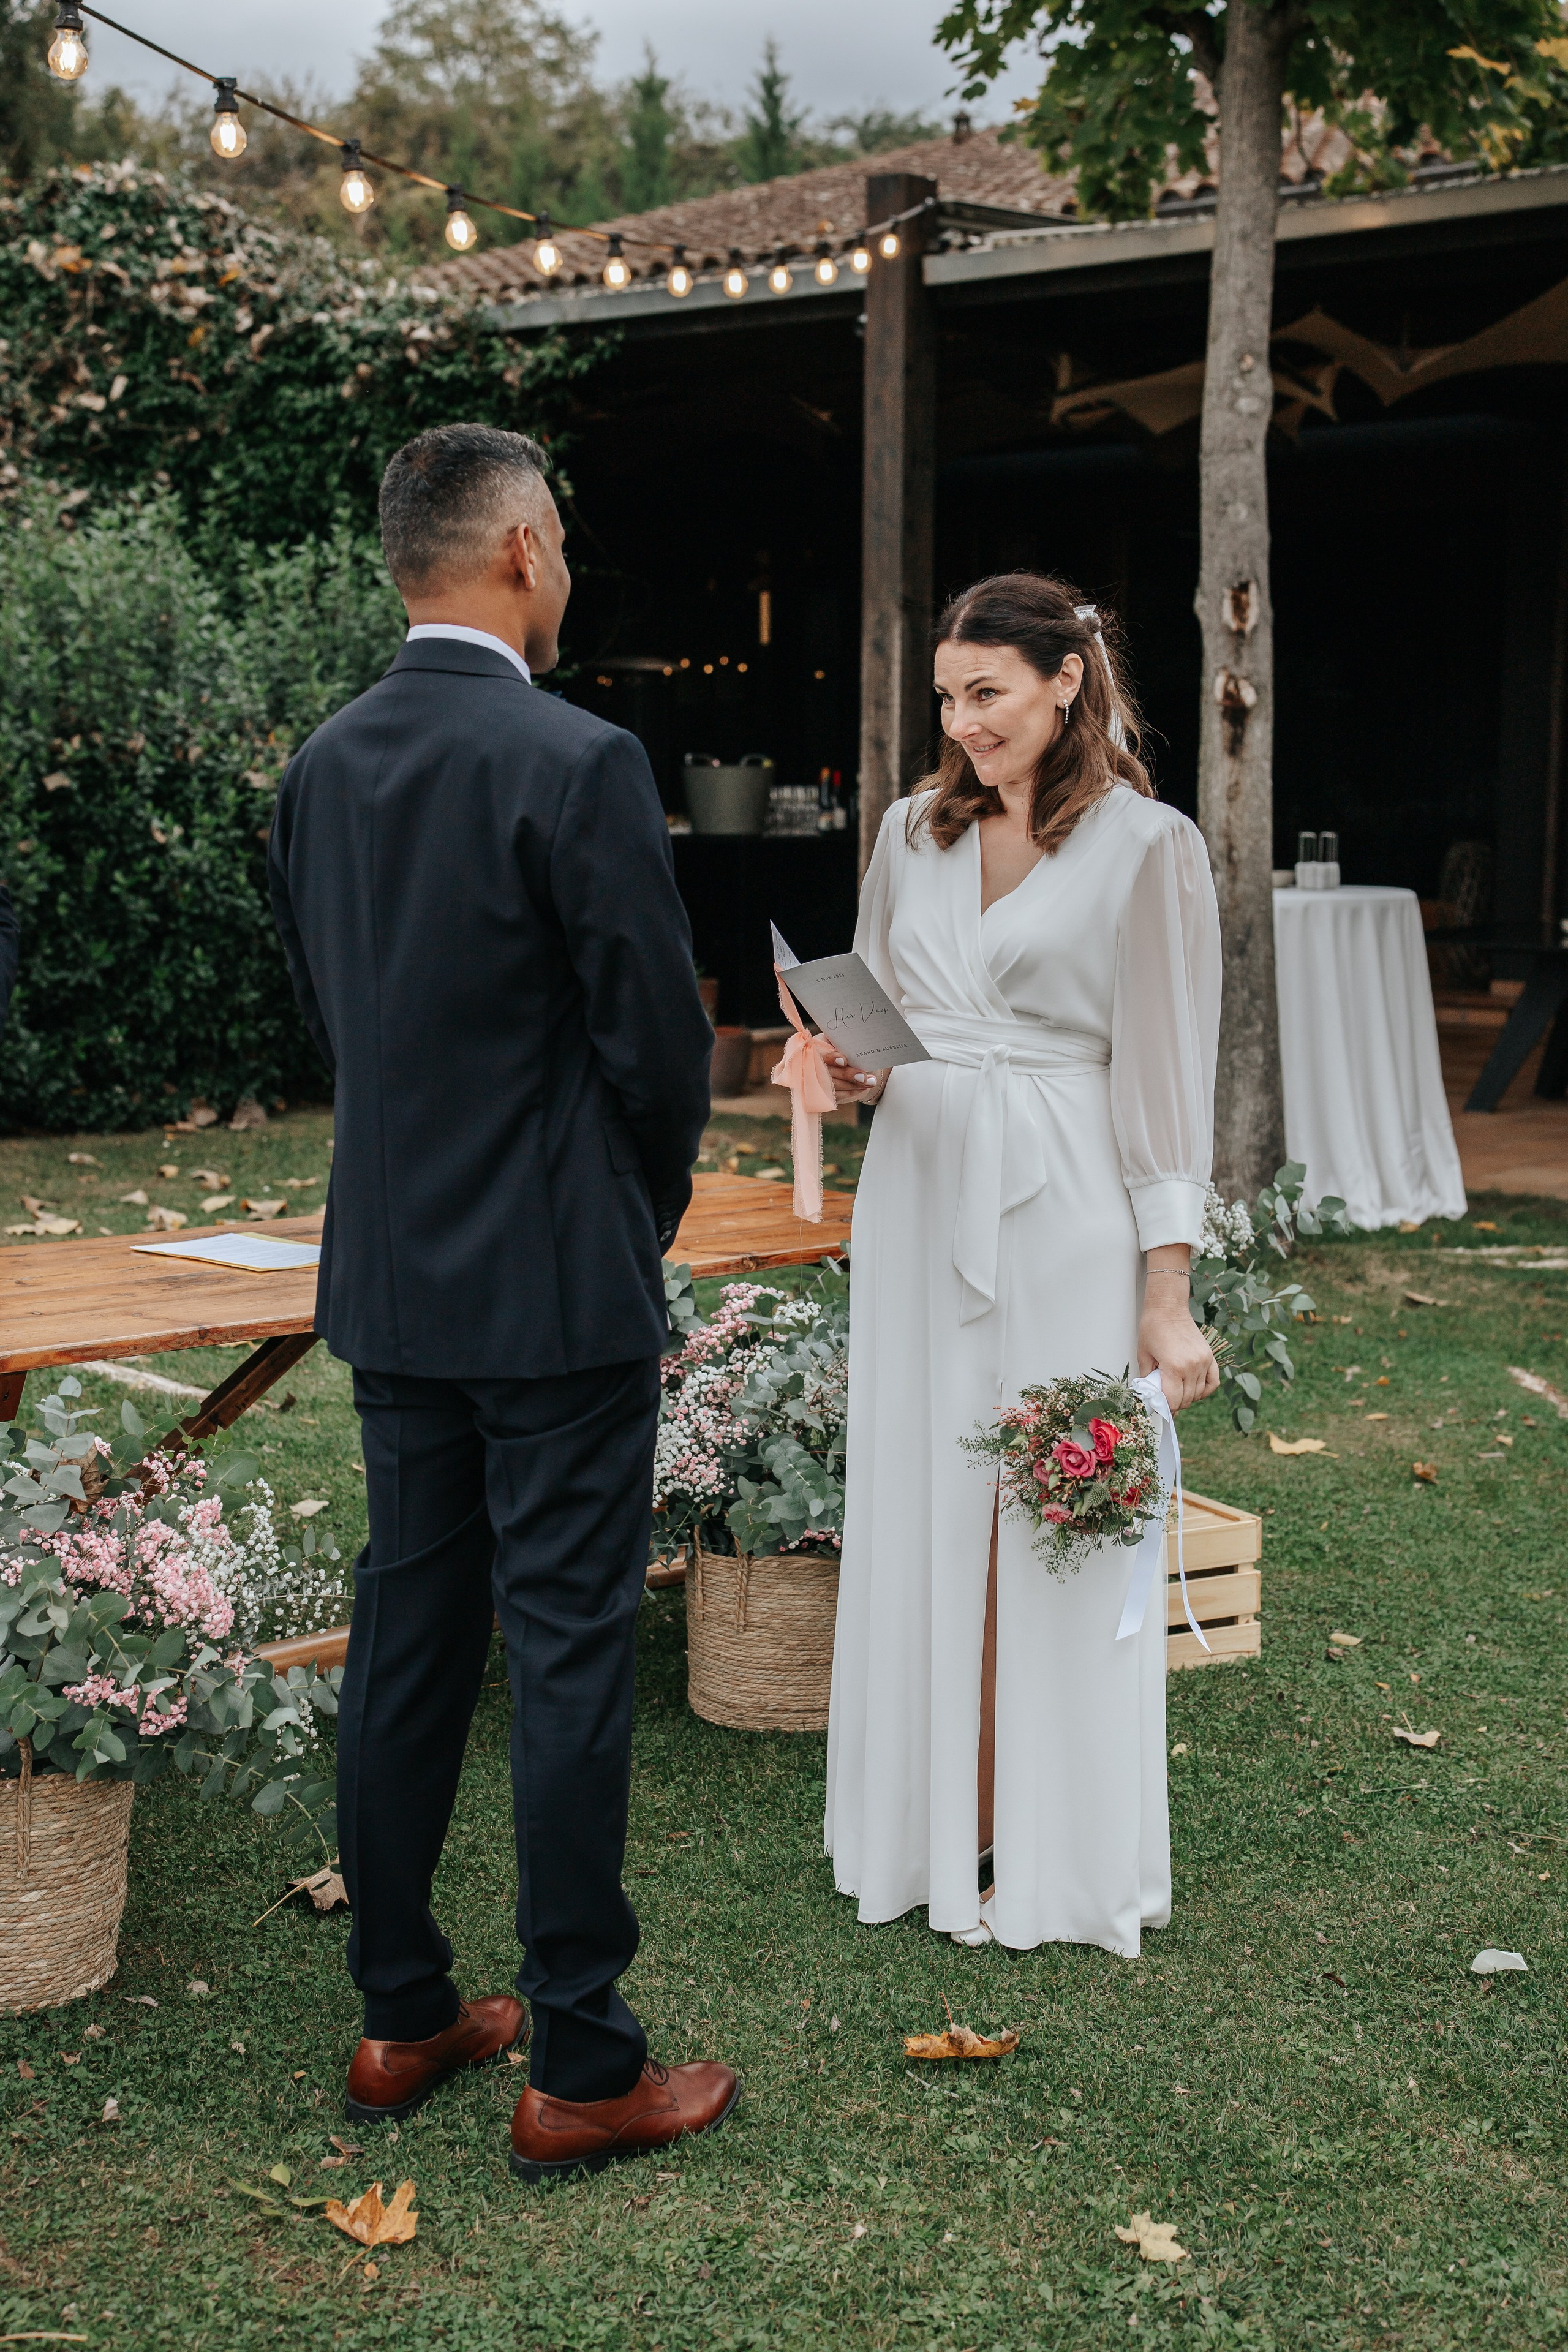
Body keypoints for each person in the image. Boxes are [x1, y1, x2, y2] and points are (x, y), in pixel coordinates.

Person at [268, 423, 737, 2181]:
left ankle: (402, 2014)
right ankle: (583, 2061)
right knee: (566, 1652)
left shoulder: (322, 763)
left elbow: (334, 1012)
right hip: (555, 1288)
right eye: (566, 546)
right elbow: (658, 1049)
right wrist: (637, 1211)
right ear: (525, 550)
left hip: (395, 1281)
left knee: (409, 1633)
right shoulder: (580, 757)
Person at [823, 572, 1220, 1954]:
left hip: (1063, 1209)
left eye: (985, 692)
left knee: (1051, 1512)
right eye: (946, 698)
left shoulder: (1149, 846)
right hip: (916, 1192)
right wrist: (852, 1069)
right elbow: (879, 1018)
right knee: (921, 1497)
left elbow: (1164, 1081)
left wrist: (1164, 1293)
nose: (962, 722)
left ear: (1066, 680)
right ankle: (929, 1831)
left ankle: (1052, 1849)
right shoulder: (908, 832)